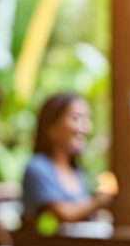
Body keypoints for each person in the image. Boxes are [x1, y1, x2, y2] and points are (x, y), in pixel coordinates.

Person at [21, 92, 113, 227]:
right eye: (76, 118)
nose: (86, 128)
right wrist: (100, 200)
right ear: (51, 127)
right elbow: (63, 214)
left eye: (87, 119)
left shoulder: (78, 171)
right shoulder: (37, 168)